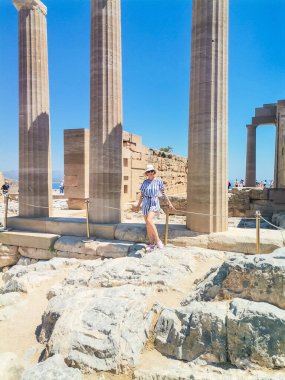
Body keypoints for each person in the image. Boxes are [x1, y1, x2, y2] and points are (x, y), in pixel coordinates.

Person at [135, 164, 174, 251]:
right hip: (145, 203)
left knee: (149, 220)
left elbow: (163, 193)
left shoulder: (158, 181)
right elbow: (142, 195)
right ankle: (151, 243)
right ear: (146, 173)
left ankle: (158, 240)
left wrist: (169, 203)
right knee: (147, 224)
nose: (150, 173)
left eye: (151, 171)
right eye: (148, 171)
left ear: (154, 172)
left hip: (154, 202)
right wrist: (138, 206)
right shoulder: (145, 182)